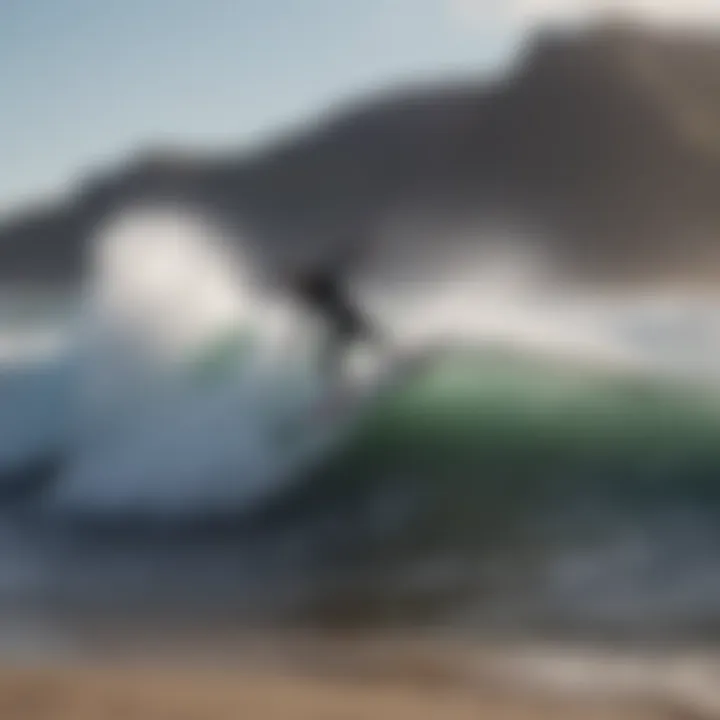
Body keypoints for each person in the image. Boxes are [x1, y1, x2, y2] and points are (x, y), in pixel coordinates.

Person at [287, 265, 376, 378]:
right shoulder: (317, 291)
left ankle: (331, 371)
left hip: (342, 321)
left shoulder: (318, 288)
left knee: (344, 338)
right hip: (341, 322)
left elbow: (334, 303)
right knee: (339, 343)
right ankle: (331, 371)